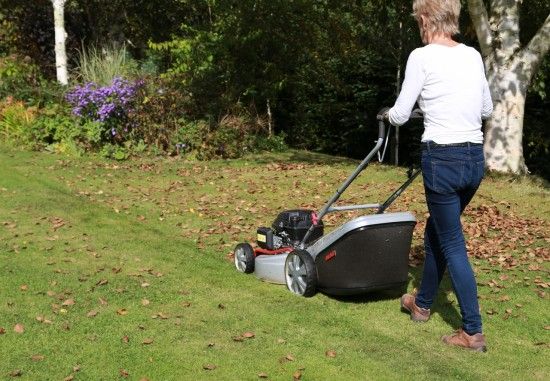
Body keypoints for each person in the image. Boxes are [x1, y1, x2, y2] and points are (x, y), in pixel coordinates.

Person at [382, 0, 493, 352]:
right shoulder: (473, 56)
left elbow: (400, 114)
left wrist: (389, 115)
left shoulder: (422, 56)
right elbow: (487, 108)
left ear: (427, 18)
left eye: (419, 20)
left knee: (451, 242)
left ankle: (472, 331)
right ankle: (423, 303)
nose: (419, 26)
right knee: (438, 231)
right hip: (474, 160)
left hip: (442, 160)